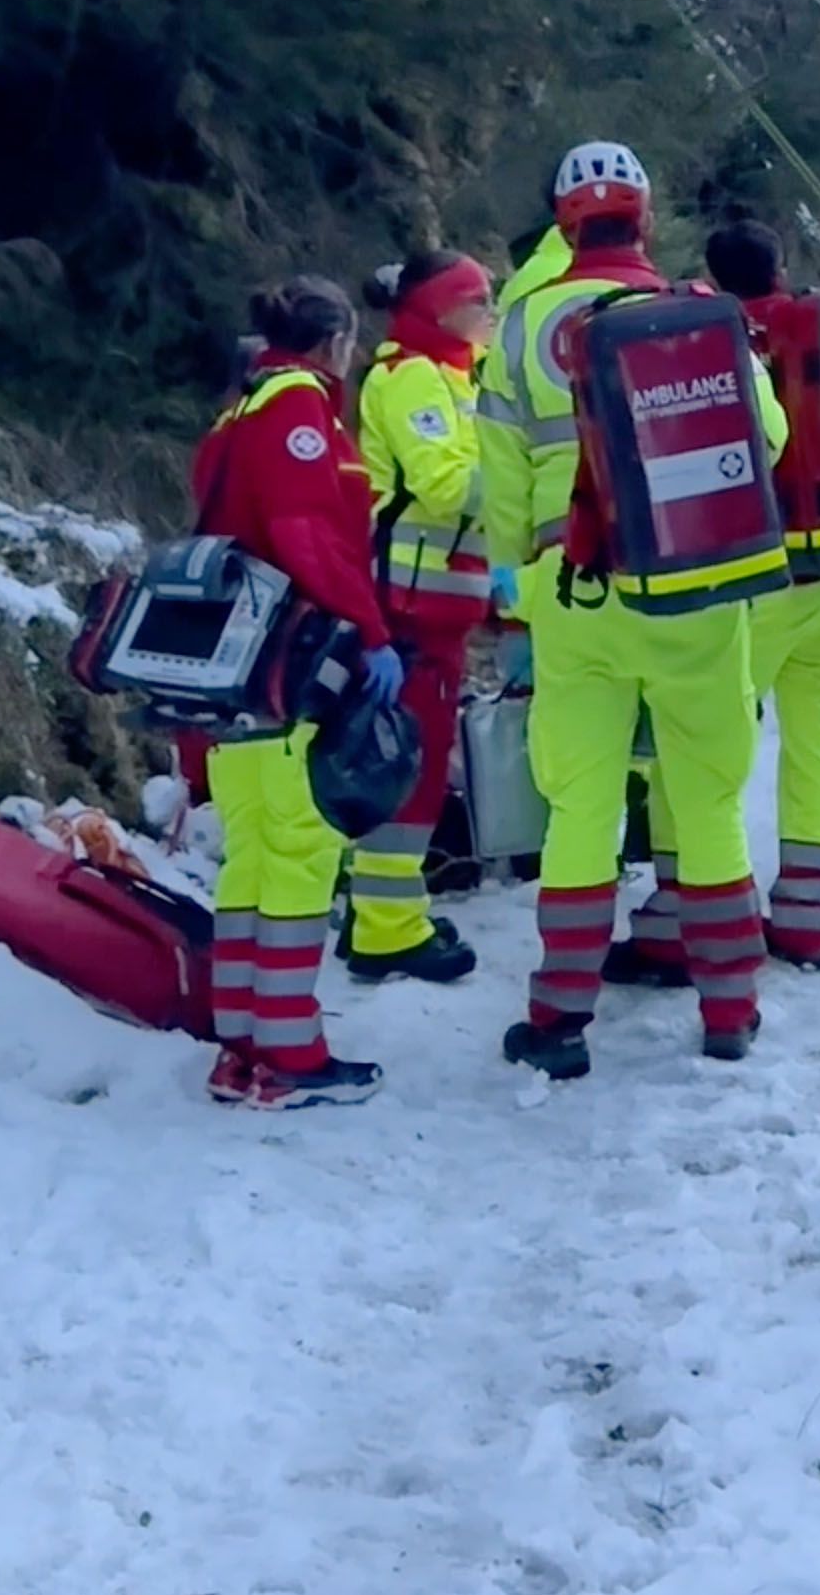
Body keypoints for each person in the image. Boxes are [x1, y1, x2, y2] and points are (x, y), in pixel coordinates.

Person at [479, 143, 786, 1074]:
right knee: (710, 798)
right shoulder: (696, 315)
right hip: (692, 587)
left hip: (574, 593)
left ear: (563, 223)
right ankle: (729, 1010)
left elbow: (498, 475)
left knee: (582, 807)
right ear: (646, 221)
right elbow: (766, 436)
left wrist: (509, 589)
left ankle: (561, 1019)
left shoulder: (523, 322)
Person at [191, 277, 403, 1109]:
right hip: (287, 663)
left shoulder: (237, 411)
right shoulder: (296, 414)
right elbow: (307, 535)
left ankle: (241, 1045)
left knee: (250, 857)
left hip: (230, 673)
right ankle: (291, 1054)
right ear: (333, 343)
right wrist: (372, 631)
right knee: (302, 852)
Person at [704, 220, 820, 969]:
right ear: (780, 268)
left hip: (759, 578)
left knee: (711, 747)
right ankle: (806, 915)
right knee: (817, 742)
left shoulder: (717, 341)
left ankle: (710, 910)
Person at [337, 251, 495, 985]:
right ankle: (386, 929)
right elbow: (443, 485)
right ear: (439, 308)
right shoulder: (410, 379)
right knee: (409, 769)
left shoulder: (456, 371)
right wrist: (533, 475)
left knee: (413, 762)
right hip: (409, 607)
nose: (490, 311)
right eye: (478, 299)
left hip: (438, 606)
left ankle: (380, 914)